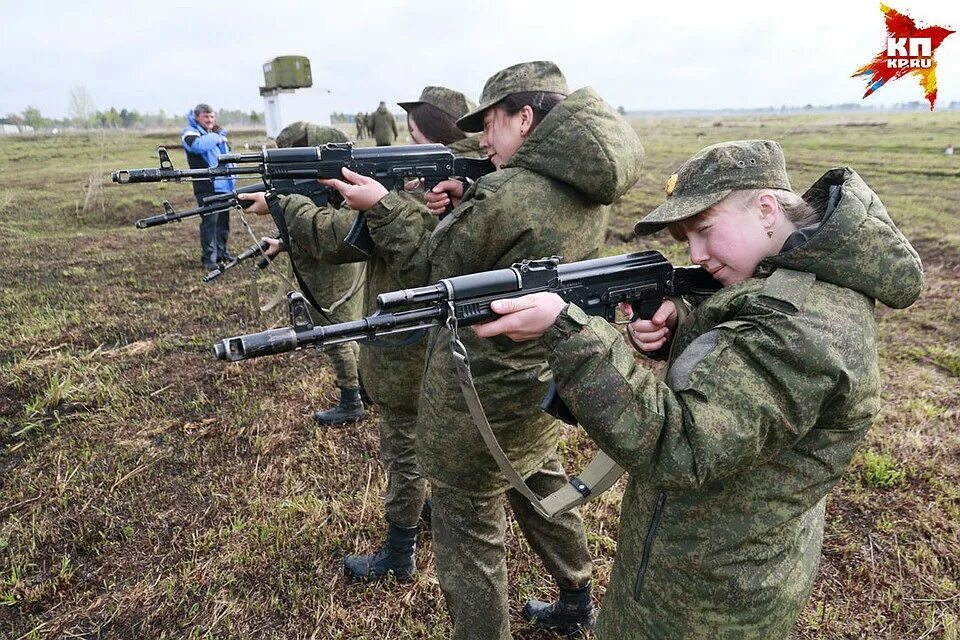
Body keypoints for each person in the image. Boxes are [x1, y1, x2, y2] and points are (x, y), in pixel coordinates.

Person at [472, 140, 924, 639]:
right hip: (692, 563)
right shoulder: (784, 276)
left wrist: (568, 331)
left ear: (767, 209)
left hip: (711, 603)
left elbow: (682, 445)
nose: (696, 255)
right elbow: (738, 368)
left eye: (705, 231)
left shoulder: (802, 327)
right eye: (687, 239)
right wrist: (684, 329)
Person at [320, 61, 645, 639]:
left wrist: (382, 205)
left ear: (525, 118)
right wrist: (469, 198)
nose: (484, 139)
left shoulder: (509, 195)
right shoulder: (582, 185)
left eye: (490, 124)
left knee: (469, 532)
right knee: (540, 481)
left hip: (480, 394)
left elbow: (428, 272)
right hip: (540, 377)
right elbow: (514, 251)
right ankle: (576, 599)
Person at [239, 86, 483, 585]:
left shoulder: (429, 194)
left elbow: (340, 241)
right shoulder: (474, 189)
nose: (405, 147)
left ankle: (399, 552)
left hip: (410, 343)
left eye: (415, 135)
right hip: (446, 343)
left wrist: (287, 206)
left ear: (437, 139)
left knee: (404, 447)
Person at [269, 121, 366, 425]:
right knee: (348, 333)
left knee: (336, 336)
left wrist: (283, 206)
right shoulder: (327, 183)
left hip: (330, 278)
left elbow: (323, 232)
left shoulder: (333, 188)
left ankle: (352, 399)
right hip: (333, 272)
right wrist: (282, 244)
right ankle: (363, 388)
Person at [181, 103, 235, 270]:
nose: (210, 120)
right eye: (206, 116)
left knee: (223, 223)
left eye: (212, 117)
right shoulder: (191, 134)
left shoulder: (218, 134)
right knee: (209, 222)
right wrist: (217, 137)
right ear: (197, 117)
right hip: (206, 185)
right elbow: (197, 147)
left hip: (224, 186)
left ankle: (221, 253)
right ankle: (208, 259)